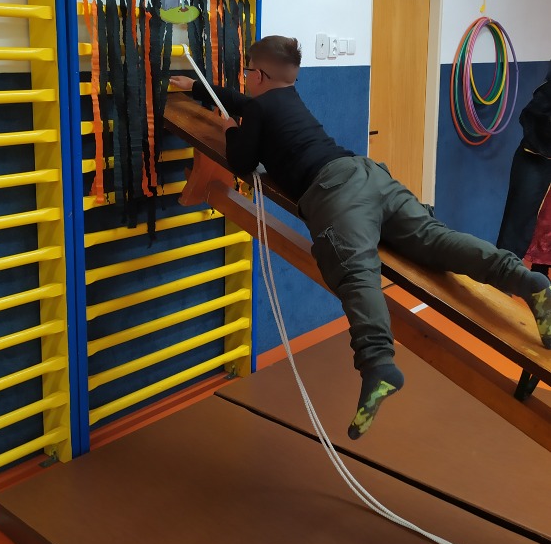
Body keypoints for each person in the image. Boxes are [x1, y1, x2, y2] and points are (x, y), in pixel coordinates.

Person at [171, 36, 551, 438]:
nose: (245, 78)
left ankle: (378, 365)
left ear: (260, 75)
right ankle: (525, 279)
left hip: (335, 192)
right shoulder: (285, 98)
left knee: (355, 272)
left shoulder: (258, 109)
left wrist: (231, 130)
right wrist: (197, 88)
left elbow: (241, 161)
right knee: (436, 239)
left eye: (248, 71)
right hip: (369, 174)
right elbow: (244, 103)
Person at [497, 66, 551, 259]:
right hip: (536, 158)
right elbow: (532, 118)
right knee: (516, 234)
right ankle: (504, 275)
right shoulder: (545, 98)